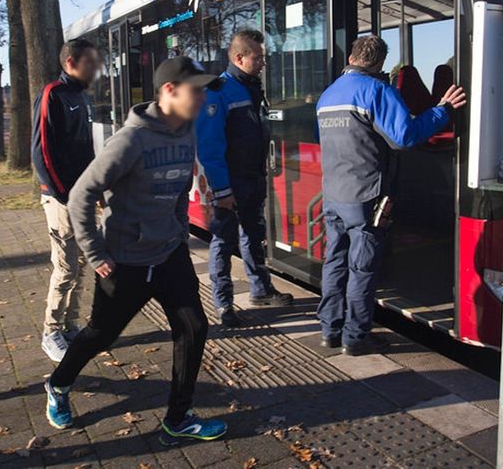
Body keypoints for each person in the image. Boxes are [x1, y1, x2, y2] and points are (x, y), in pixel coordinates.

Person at [44, 56, 228, 443]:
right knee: (100, 334)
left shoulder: (187, 132)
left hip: (169, 254)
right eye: (194, 90)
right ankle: (58, 385)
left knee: (194, 327)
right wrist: (95, 253)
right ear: (169, 92)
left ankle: (178, 418)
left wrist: (178, 229)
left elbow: (181, 186)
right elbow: (80, 195)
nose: (201, 98)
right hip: (124, 260)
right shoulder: (129, 141)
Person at [315, 36, 466, 356]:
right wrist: (444, 110)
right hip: (366, 195)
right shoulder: (375, 91)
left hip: (333, 194)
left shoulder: (328, 95)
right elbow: (403, 136)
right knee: (362, 268)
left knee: (335, 263)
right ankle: (355, 337)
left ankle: (330, 329)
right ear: (380, 63)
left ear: (354, 57)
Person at [196, 30, 293, 327]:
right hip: (230, 182)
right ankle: (224, 304)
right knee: (223, 242)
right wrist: (222, 190)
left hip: (252, 177)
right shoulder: (218, 91)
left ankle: (260, 290)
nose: (263, 62)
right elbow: (209, 146)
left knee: (254, 235)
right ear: (239, 58)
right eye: (258, 57)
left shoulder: (251, 87)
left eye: (263, 56)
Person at [32, 39, 100, 361]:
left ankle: (71, 324)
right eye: (90, 63)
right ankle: (51, 330)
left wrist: (92, 190)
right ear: (71, 62)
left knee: (82, 262)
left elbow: (85, 152)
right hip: (60, 199)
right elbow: (41, 152)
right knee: (65, 266)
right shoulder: (53, 95)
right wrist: (63, 196)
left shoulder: (80, 96)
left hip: (81, 196)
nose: (95, 69)